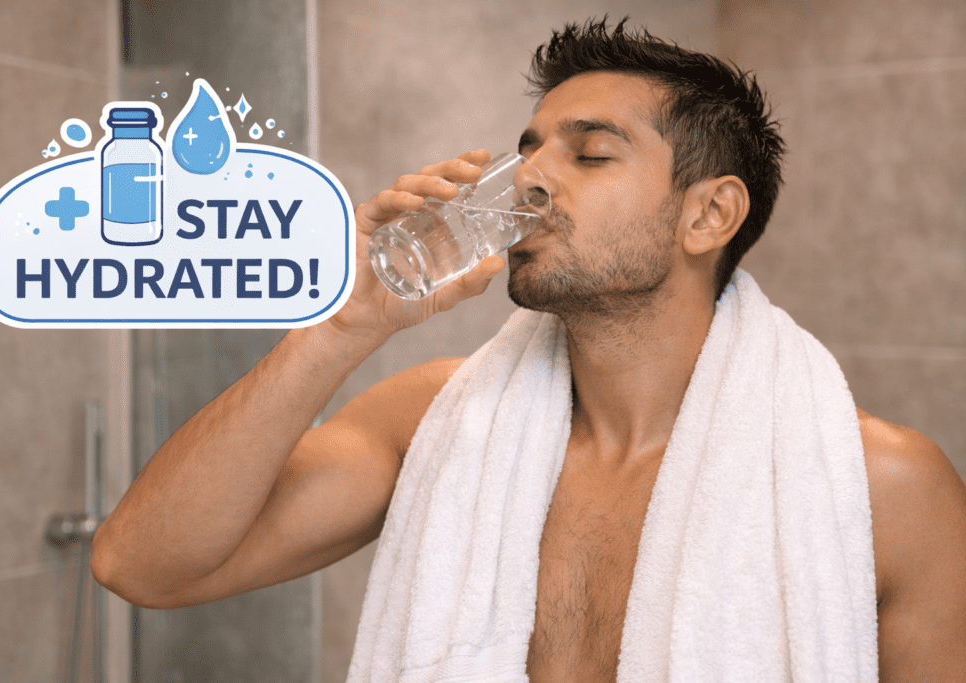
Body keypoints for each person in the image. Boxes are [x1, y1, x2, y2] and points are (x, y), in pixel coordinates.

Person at [92, 18, 966, 682]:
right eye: (529, 152)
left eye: (590, 154)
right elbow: (139, 564)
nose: (532, 180)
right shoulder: (434, 420)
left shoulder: (883, 485)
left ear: (709, 214)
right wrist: (341, 325)